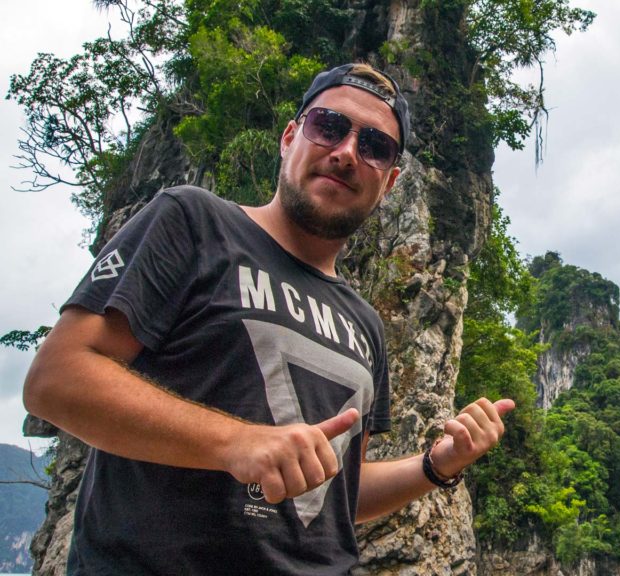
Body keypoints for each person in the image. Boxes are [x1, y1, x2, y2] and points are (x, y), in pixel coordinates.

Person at [22, 62, 513, 575]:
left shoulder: (366, 324)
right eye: (329, 126)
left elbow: (337, 494)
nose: (346, 153)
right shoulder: (193, 222)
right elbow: (57, 378)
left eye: (374, 146)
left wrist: (437, 466)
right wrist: (237, 442)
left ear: (388, 183)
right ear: (289, 137)